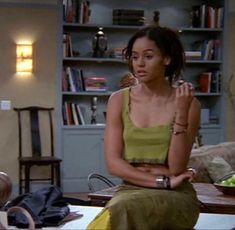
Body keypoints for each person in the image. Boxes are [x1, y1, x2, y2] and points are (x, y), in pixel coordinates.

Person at [87, 25, 201, 230]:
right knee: (121, 207)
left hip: (175, 196)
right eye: (134, 56)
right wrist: (162, 181)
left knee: (121, 209)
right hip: (132, 190)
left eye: (148, 56)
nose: (139, 64)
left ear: (166, 59)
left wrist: (182, 113)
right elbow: (114, 164)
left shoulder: (188, 103)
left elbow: (176, 168)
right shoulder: (117, 100)